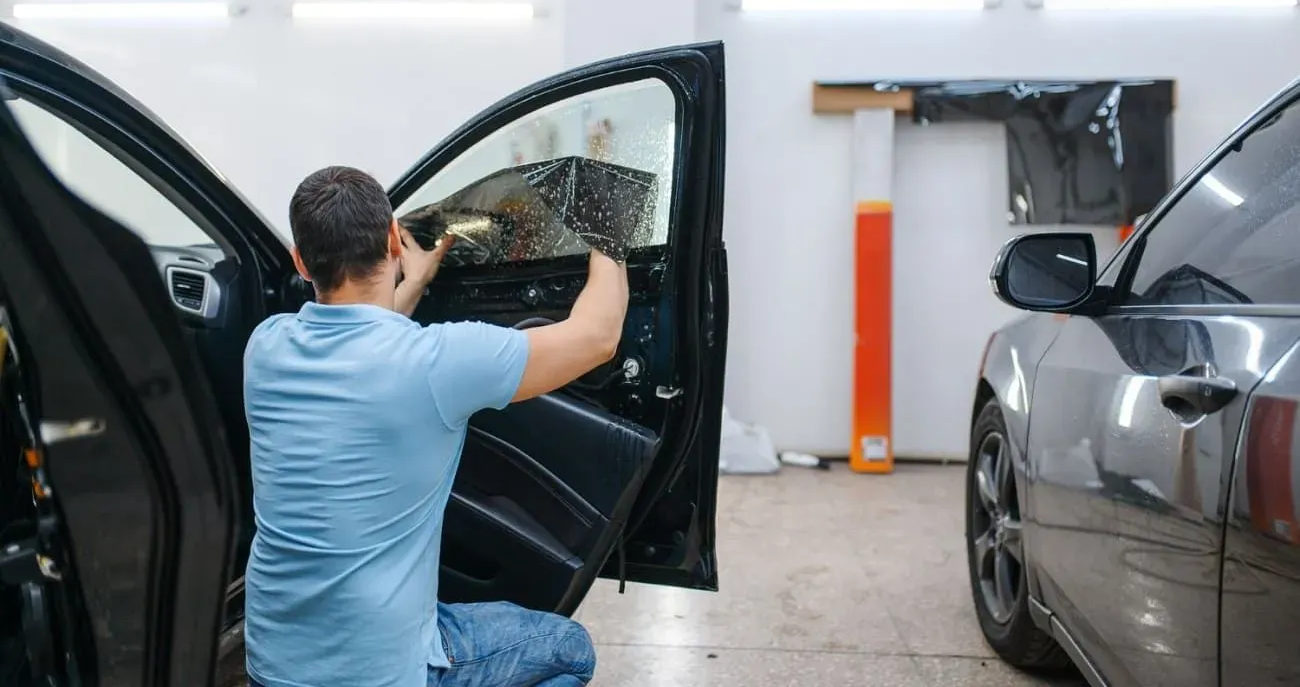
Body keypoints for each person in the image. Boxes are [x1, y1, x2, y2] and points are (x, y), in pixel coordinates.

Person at [242, 166, 629, 687]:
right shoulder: (437, 364)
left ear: (301, 260)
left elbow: (358, 342)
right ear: (390, 241)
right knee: (569, 650)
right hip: (380, 673)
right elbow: (598, 337)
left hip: (274, 664)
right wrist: (614, 229)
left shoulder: (265, 349)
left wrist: (417, 282)